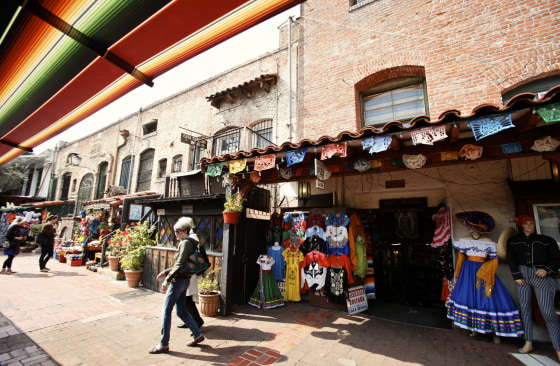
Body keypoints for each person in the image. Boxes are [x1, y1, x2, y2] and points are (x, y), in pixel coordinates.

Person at [447, 211, 523, 344]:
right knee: (471, 298)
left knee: (489, 298)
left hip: (484, 271)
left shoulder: (488, 242)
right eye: (469, 226)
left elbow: (494, 260)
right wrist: (458, 273)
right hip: (468, 271)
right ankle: (474, 328)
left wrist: (487, 272)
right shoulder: (465, 240)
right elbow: (460, 257)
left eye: (472, 226)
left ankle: (495, 332)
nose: (470, 228)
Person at [507, 215, 560, 360]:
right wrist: (517, 276)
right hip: (523, 275)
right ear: (521, 226)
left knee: (548, 311)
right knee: (525, 309)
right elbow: (511, 259)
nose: (530, 226)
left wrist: (547, 270)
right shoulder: (513, 241)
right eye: (527, 224)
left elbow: (557, 258)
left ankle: (558, 346)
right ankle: (528, 341)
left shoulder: (546, 240)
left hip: (540, 274)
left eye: (531, 223)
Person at [149, 217, 204, 354]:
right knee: (181, 310)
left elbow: (179, 264)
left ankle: (163, 344)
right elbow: (181, 263)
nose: (176, 234)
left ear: (185, 231)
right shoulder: (191, 241)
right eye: (175, 231)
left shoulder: (186, 243)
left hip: (178, 281)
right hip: (184, 280)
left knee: (166, 311)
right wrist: (165, 272)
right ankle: (197, 334)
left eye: (178, 231)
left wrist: (167, 279)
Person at [177, 228, 204, 330]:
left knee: (187, 299)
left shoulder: (191, 238)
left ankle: (197, 321)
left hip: (188, 272)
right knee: (185, 298)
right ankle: (189, 320)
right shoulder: (187, 239)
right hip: (185, 272)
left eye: (178, 231)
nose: (177, 234)